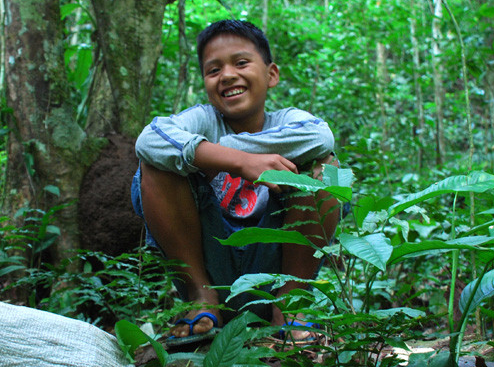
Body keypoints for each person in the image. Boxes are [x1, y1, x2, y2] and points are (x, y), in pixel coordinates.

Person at [132, 19, 340, 341]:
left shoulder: (289, 121)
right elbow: (149, 140)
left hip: (273, 270)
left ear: (271, 74)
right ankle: (202, 300)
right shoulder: (202, 120)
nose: (228, 75)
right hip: (211, 271)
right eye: (213, 70)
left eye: (241, 63)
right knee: (156, 165)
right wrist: (241, 162)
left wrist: (213, 152)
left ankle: (290, 307)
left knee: (325, 169)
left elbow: (320, 137)